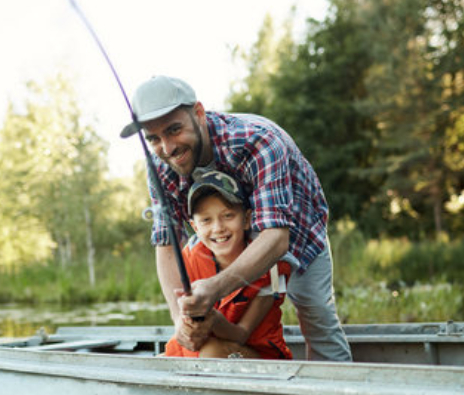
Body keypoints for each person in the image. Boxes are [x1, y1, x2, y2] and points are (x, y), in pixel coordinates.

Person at [121, 75, 352, 362]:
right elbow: (166, 242)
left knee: (316, 313)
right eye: (154, 138)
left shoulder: (258, 140)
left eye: (174, 129)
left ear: (199, 114)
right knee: (217, 326)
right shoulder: (159, 164)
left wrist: (216, 286)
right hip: (229, 234)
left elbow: (276, 238)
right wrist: (178, 317)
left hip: (295, 232)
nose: (167, 149)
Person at [163, 170, 293, 359]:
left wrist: (213, 318)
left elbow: (241, 334)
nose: (218, 228)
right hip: (201, 349)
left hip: (257, 355)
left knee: (211, 351)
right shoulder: (188, 260)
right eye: (206, 220)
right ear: (195, 227)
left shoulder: (270, 266)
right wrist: (188, 325)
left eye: (228, 215)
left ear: (247, 219)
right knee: (160, 361)